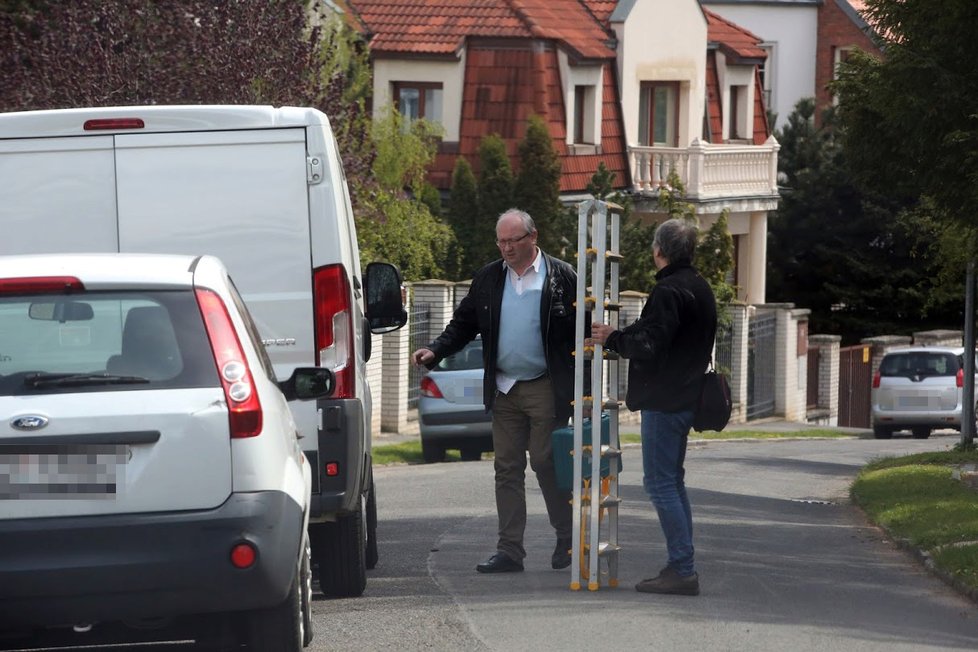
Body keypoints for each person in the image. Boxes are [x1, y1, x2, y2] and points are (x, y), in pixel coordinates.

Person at [412, 209, 578, 573]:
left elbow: (580, 330)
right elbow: (463, 323)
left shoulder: (561, 276)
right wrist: (436, 350)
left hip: (545, 385)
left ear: (533, 237)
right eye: (501, 242)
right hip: (504, 387)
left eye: (513, 241)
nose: (506, 248)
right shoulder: (489, 278)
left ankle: (566, 536)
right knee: (506, 468)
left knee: (546, 461)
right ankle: (510, 551)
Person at [588, 218, 716, 596]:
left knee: (660, 485)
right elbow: (666, 339)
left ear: (658, 251)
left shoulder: (669, 291)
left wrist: (614, 337)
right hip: (688, 396)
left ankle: (682, 568)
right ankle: (682, 564)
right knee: (672, 484)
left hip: (666, 400)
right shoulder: (699, 287)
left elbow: (650, 345)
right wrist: (624, 336)